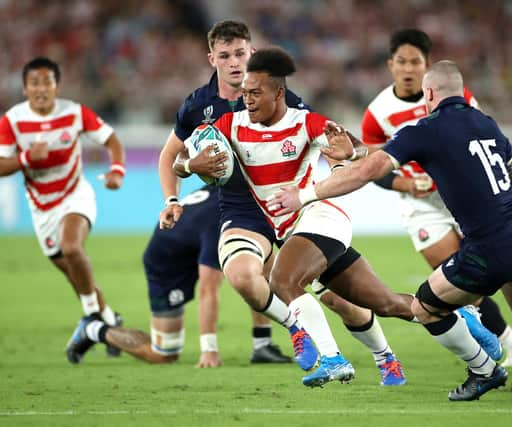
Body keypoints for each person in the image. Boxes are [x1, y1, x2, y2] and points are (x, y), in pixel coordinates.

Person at [269, 60, 512, 400]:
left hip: (488, 248)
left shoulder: (426, 129)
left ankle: (483, 370)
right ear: (462, 93)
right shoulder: (485, 122)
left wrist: (305, 194)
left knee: (425, 307)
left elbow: (371, 172)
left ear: (429, 94)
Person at [156, 22, 415, 386]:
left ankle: (384, 356)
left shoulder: (284, 101)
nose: (234, 62)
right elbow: (172, 158)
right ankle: (300, 330)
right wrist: (175, 193)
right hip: (242, 210)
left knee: (344, 300)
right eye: (226, 55)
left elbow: (334, 142)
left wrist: (341, 164)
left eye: (241, 54)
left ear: (252, 54)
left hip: (294, 208)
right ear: (212, 58)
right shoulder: (199, 105)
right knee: (244, 276)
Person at [361, 28, 512, 367]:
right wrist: (407, 186)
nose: (409, 69)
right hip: (423, 207)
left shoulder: (453, 97)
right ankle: (509, 345)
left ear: (426, 65)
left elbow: (479, 134)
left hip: (469, 196)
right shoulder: (377, 112)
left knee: (493, 271)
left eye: (416, 62)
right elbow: (374, 168)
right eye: (402, 62)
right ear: (391, 64)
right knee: (462, 277)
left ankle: (500, 342)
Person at [75, 185, 293, 366]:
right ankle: (94, 329)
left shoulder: (238, 192)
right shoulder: (223, 220)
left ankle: (262, 345)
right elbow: (208, 288)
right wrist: (209, 350)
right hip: (167, 262)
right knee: (163, 354)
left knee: (260, 260)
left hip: (192, 243)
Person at [0, 57, 125, 363]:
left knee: (72, 247)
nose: (41, 89)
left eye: (47, 82)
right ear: (25, 88)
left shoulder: (74, 113)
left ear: (57, 86)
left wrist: (117, 171)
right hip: (42, 206)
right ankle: (109, 320)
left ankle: (91, 317)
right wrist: (28, 158)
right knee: (75, 274)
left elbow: (110, 139)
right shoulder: (12, 121)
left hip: (75, 195)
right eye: (34, 83)